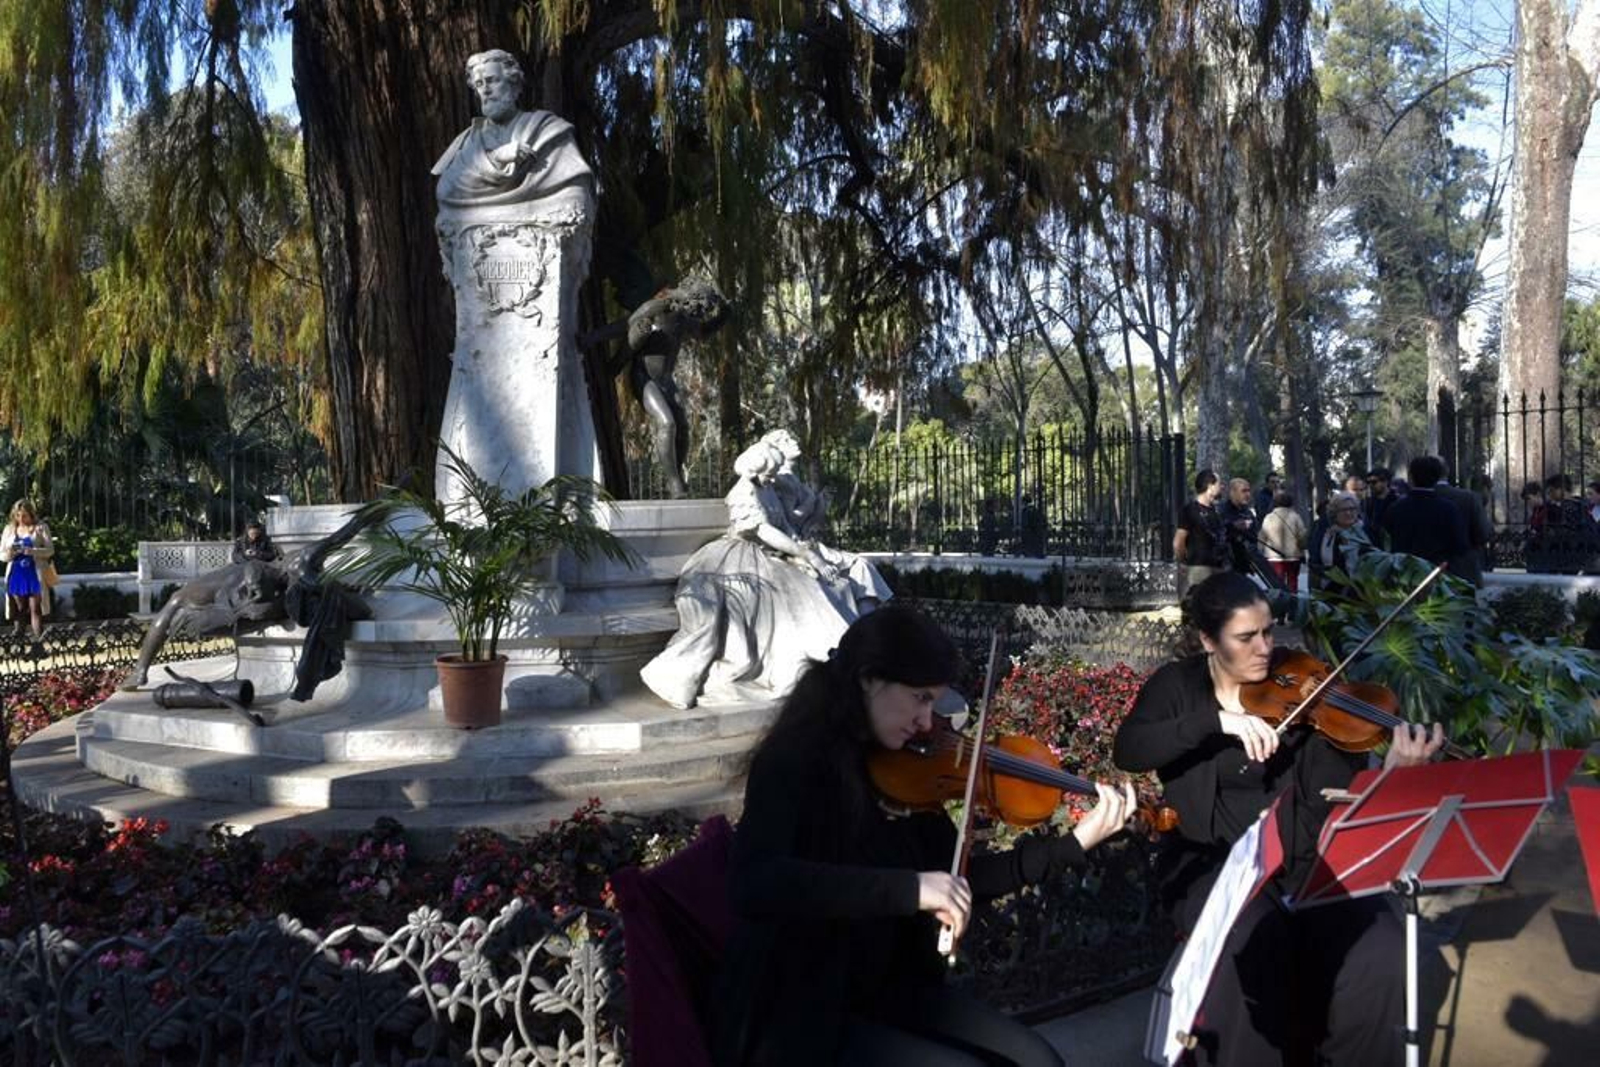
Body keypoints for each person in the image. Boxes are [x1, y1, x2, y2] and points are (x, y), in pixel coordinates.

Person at [711, 604, 1137, 1066]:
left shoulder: (907, 767)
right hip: (802, 1010)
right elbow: (754, 883)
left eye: (934, 702)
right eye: (919, 698)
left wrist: (1072, 844)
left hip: (889, 989)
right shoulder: (795, 761)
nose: (927, 722)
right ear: (870, 678)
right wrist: (911, 888)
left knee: (1038, 1061)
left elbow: (958, 879)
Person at [1113, 572, 1446, 1067]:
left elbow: (1334, 802)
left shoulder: (1308, 694)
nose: (1266, 648)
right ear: (1208, 641)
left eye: (1269, 631)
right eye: (1246, 638)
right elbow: (1131, 749)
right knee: (1256, 941)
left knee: (1384, 950)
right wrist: (1218, 722)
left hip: (1306, 860)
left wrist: (1392, 776)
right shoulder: (1178, 687)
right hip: (1215, 865)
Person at [640, 439, 890, 709]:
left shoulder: (767, 488)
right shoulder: (742, 493)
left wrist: (808, 554)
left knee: (823, 586)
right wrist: (804, 555)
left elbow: (784, 526)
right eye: (769, 473)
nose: (773, 479)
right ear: (754, 471)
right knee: (796, 593)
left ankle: (853, 652)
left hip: (774, 553)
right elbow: (765, 532)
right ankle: (829, 658)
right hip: (742, 557)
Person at [432, 49, 594, 209]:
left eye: (492, 80)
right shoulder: (469, 140)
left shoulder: (546, 128)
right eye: (479, 84)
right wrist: (496, 158)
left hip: (540, 214)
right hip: (477, 222)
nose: (486, 91)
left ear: (513, 83)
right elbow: (446, 190)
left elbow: (576, 187)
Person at [1382, 455, 1470, 573]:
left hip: (1404, 572)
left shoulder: (1395, 508)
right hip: (1437, 572)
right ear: (1437, 478)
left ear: (1411, 477)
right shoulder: (1448, 509)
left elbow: (1385, 541)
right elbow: (1461, 546)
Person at [1433, 460, 1494, 586]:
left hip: (1425, 572)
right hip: (1463, 570)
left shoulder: (1408, 501)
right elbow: (1484, 533)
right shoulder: (1468, 498)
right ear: (1447, 473)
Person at [2, 499, 53, 640]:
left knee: (35, 608)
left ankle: (39, 643)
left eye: (24, 515)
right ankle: (19, 641)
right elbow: (2, 555)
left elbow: (50, 550)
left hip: (34, 573)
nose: (21, 519)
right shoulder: (9, 530)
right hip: (16, 574)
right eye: (18, 515)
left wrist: (33, 551)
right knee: (19, 609)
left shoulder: (41, 528)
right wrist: (11, 552)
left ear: (31, 514)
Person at [1175, 470, 1228, 595]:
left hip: (1218, 567)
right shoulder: (1189, 510)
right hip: (1198, 569)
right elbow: (1178, 542)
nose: (1222, 486)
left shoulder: (1216, 511)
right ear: (1210, 485)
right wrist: (1183, 563)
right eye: (1219, 483)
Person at [1308, 491, 1371, 591]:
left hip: (1364, 592)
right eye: (1343, 510)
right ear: (1334, 513)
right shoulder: (1326, 534)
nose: (1348, 513)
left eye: (1352, 509)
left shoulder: (1367, 532)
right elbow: (1315, 561)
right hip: (1332, 591)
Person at [1258, 490, 1307, 593]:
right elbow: (1303, 536)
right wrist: (1302, 548)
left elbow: (1262, 536)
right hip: (1293, 556)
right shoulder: (1295, 517)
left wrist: (1260, 551)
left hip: (1274, 556)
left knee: (1277, 584)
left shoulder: (1269, 517)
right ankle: (1293, 603)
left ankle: (1280, 605)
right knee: (1292, 582)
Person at [1362, 467, 1396, 544]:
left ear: (1385, 482)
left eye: (1374, 482)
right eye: (1368, 482)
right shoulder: (1369, 502)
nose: (1370, 485)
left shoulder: (1396, 501)